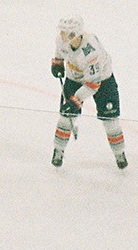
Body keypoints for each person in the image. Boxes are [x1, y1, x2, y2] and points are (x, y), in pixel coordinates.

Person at [51, 16, 125, 169]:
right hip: (74, 78)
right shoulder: (61, 40)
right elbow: (60, 52)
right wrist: (57, 63)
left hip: (102, 81)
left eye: (68, 34)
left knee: (110, 120)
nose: (64, 36)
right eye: (62, 32)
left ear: (77, 34)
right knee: (66, 116)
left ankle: (119, 153)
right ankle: (58, 150)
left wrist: (75, 100)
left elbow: (93, 85)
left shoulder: (91, 52)